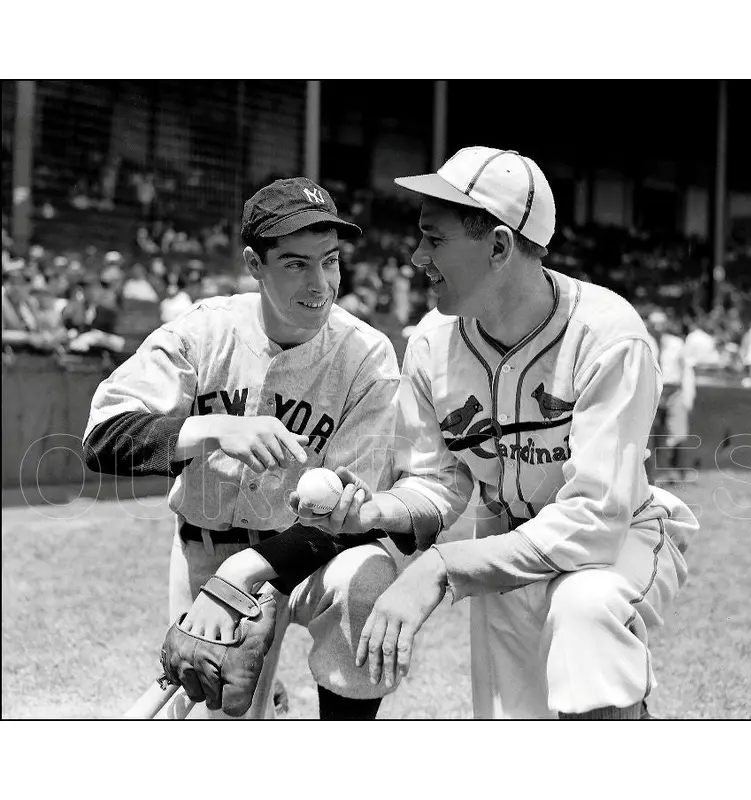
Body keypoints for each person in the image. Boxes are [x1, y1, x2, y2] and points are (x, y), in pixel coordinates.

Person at [294, 147, 699, 720]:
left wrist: (443, 567)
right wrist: (374, 512)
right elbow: (436, 481)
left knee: (586, 611)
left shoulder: (608, 337)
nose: (416, 257)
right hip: (503, 543)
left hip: (614, 541)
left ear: (500, 246)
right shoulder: (433, 342)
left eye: (435, 240)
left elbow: (594, 521)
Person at [83, 177, 402, 719]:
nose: (320, 282)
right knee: (213, 726)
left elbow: (359, 519)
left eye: (330, 260)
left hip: (296, 559)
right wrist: (214, 428)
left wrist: (249, 575)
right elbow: (102, 439)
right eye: (296, 263)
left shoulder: (366, 356)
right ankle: (260, 700)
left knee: (367, 573)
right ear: (255, 264)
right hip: (201, 554)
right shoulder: (204, 331)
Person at [645, 310, 696, 485]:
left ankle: (681, 471)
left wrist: (688, 395)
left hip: (674, 390)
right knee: (653, 435)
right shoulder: (645, 342)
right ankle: (658, 473)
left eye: (661, 322)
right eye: (654, 323)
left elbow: (687, 371)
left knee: (678, 432)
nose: (658, 327)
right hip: (653, 391)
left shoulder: (677, 344)